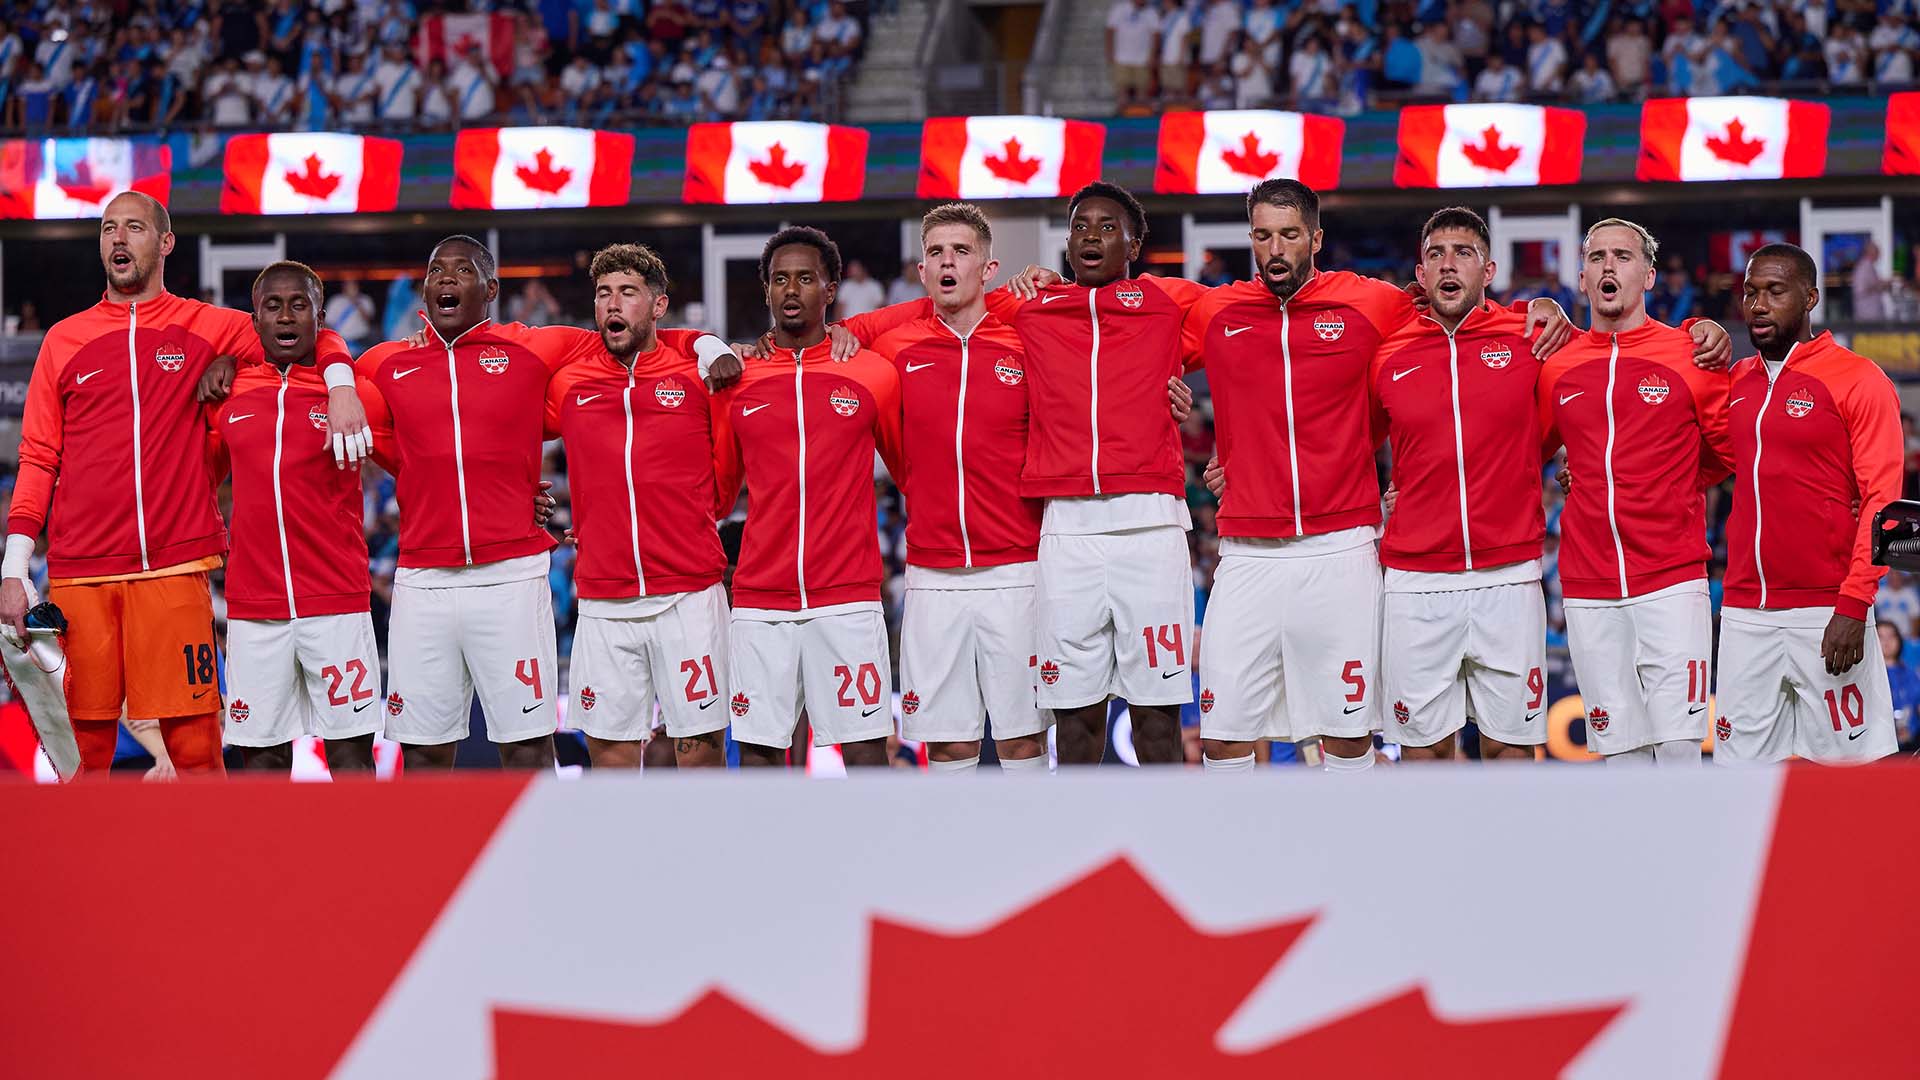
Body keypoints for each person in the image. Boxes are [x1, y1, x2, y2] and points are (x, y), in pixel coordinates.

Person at [0, 193, 364, 778]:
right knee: (83, 754)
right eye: (109, 229)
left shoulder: (210, 326)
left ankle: (207, 870)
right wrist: (14, 568)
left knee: (197, 750)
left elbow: (305, 330)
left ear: (164, 243)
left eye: (135, 228)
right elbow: (38, 456)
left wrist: (342, 382)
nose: (119, 240)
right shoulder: (63, 341)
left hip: (175, 570)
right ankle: (89, 871)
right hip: (81, 574)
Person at [837, 204, 1053, 774]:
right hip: (932, 574)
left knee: (1022, 741)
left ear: (989, 268)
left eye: (961, 251)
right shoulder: (892, 348)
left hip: (1018, 570)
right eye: (936, 253)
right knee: (948, 744)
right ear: (922, 269)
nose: (948, 262)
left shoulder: (1025, 341)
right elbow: (826, 339)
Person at [1539, 219, 1734, 766]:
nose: (1608, 266)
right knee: (1619, 758)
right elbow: (1527, 446)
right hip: (1588, 585)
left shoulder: (1690, 357)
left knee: (1676, 751)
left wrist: (1675, 482)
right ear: (1580, 277)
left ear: (1649, 275)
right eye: (1597, 256)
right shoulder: (1558, 365)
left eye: (1622, 256)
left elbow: (1728, 452)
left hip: (1672, 579)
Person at [1370, 208, 1559, 761]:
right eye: (1436, 255)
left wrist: (1702, 328)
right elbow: (1344, 439)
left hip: (1509, 575)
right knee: (1425, 755)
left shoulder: (1532, 338)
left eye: (1464, 254)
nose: (1449, 264)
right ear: (1421, 275)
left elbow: (1598, 387)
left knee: (1512, 751)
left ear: (1489, 270)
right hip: (1415, 579)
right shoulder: (1387, 354)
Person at [716, 227, 906, 768]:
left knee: (868, 756)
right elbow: (716, 492)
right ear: (766, 290)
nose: (791, 289)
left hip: (848, 597)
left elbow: (912, 473)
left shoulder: (872, 373)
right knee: (758, 759)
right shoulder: (738, 378)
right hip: (760, 599)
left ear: (831, 289)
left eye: (805, 278)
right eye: (779, 279)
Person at [1715, 243, 1902, 763]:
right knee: (1739, 780)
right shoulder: (1735, 382)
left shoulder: (1859, 380)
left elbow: (1884, 502)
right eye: (1751, 292)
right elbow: (1705, 462)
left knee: (1856, 776)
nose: (1758, 304)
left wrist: (1854, 602)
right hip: (1745, 611)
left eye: (1775, 291)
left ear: (1810, 297)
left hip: (1827, 608)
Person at [545, 244, 731, 769]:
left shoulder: (697, 374)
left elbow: (730, 464)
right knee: (611, 760)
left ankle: (703, 856)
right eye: (604, 294)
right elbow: (501, 426)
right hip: (605, 598)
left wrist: (697, 519)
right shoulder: (570, 381)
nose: (613, 305)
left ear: (657, 305)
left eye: (628, 293)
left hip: (689, 594)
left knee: (699, 753)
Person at [213, 262, 399, 774]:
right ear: (254, 320)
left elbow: (418, 464)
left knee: (350, 757)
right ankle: (271, 859)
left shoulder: (352, 391)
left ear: (320, 316)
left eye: (300, 305)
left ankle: (358, 858)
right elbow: (196, 478)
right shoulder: (230, 392)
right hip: (254, 608)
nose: (286, 316)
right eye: (273, 306)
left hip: (337, 603)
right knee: (260, 762)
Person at [1881, 622, 1920, 752]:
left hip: (1911, 742)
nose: (1887, 641)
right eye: (1881, 637)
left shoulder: (1911, 673)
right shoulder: (1868, 675)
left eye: (1891, 636)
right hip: (1881, 745)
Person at [325, 278, 376, 352]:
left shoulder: (365, 300)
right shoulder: (336, 301)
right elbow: (328, 322)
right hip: (342, 341)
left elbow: (368, 319)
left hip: (361, 340)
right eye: (348, 286)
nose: (351, 289)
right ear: (344, 288)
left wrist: (355, 302)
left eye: (354, 286)